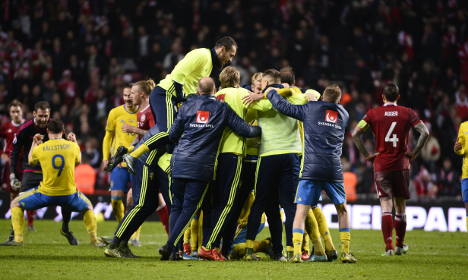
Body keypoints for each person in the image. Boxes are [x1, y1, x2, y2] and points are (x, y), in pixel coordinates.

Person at [159, 77, 261, 261]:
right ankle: (170, 245)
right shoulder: (221, 108)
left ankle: (174, 250)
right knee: (189, 208)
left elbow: (173, 135)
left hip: (179, 161)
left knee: (176, 206)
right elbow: (246, 130)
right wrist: (261, 130)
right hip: (200, 165)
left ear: (198, 90)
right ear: (214, 90)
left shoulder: (187, 107)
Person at [266, 84, 357, 263]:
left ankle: (298, 253)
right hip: (333, 169)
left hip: (311, 169)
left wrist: (270, 93)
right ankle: (346, 252)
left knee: (301, 210)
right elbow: (328, 111)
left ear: (323, 96)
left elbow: (283, 107)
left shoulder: (310, 108)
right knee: (342, 210)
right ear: (339, 100)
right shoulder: (344, 114)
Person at [126, 36, 237, 163]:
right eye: (231, 55)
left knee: (172, 136)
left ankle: (129, 151)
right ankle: (132, 155)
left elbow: (191, 86)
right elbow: (179, 72)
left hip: (171, 97)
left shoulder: (209, 63)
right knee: (168, 131)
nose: (230, 60)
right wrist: (179, 97)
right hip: (166, 94)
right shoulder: (202, 54)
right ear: (222, 49)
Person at [352, 83, 429, 256]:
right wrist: (415, 153)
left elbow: (355, 133)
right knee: (400, 207)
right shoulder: (407, 112)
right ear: (398, 97)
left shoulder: (373, 113)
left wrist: (366, 154)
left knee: (386, 206)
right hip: (401, 164)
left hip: (381, 164)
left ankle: (388, 247)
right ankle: (400, 245)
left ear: (383, 97)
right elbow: (425, 133)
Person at [1, 120, 103, 246]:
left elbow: (31, 161)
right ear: (63, 131)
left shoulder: (42, 148)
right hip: (68, 195)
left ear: (48, 131)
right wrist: (74, 141)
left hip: (46, 195)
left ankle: (18, 239)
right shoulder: (72, 146)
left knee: (15, 203)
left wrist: (34, 143)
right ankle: (94, 240)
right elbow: (78, 161)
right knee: (88, 207)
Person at [242, 69, 308, 261]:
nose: (259, 84)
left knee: (260, 204)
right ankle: (290, 251)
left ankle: (248, 251)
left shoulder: (261, 101)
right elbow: (307, 98)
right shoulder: (294, 96)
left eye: (262, 81)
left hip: (268, 156)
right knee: (289, 206)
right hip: (291, 156)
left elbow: (247, 116)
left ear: (268, 82)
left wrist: (259, 97)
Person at [199, 66, 258, 259]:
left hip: (212, 154)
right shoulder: (244, 94)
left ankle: (206, 245)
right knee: (228, 203)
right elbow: (252, 119)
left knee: (213, 204)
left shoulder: (215, 96)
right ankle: (214, 247)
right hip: (234, 154)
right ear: (238, 79)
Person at [8, 101, 74, 244]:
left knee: (67, 200)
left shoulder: (55, 127)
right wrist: (12, 174)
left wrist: (72, 140)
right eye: (40, 116)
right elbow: (14, 153)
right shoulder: (24, 129)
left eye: (46, 116)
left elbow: (69, 145)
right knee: (19, 200)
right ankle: (14, 235)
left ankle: (66, 228)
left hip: (51, 171)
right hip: (31, 169)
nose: (44, 119)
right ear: (33, 114)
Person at [124, 79, 170, 245]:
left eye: (133, 93)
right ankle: (126, 238)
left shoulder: (150, 111)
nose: (130, 96)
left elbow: (154, 135)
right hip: (143, 159)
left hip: (151, 161)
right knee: (148, 202)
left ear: (142, 94)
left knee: (140, 202)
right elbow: (142, 138)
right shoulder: (140, 111)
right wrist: (131, 147)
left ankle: (123, 238)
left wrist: (134, 130)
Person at [102, 86, 138, 224]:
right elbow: (107, 137)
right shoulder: (115, 113)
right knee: (115, 200)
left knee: (133, 200)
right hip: (119, 162)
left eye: (130, 95)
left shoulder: (143, 113)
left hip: (137, 162)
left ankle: (134, 234)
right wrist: (105, 158)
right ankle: (121, 226)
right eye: (125, 95)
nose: (128, 98)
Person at [0, 101, 25, 240]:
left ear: (22, 112)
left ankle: (22, 226)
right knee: (13, 196)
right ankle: (14, 229)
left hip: (25, 165)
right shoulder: (6, 127)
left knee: (24, 196)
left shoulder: (26, 126)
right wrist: (2, 153)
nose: (16, 114)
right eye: (13, 112)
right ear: (10, 113)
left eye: (18, 111)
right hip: (12, 166)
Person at [454, 120, 468, 233]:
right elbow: (459, 149)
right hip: (466, 173)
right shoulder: (463, 126)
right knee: (467, 204)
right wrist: (457, 148)